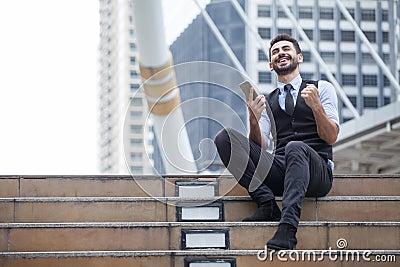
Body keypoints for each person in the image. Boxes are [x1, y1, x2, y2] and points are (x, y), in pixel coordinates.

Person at [214, 34, 340, 250]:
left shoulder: (322, 88)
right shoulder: (267, 101)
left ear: (298, 57)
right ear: (271, 65)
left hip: (317, 172)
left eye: (286, 49)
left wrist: (316, 107)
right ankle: (266, 203)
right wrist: (254, 118)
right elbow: (259, 146)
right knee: (224, 138)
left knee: (295, 147)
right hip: (282, 169)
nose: (281, 53)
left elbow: (331, 137)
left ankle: (288, 228)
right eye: (275, 52)